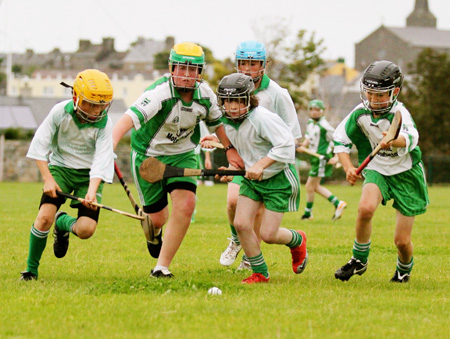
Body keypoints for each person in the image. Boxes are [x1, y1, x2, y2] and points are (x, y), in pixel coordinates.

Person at [112, 42, 243, 278]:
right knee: (157, 219)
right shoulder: (159, 94)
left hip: (183, 154)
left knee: (185, 206)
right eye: (181, 68)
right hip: (148, 156)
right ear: (172, 68)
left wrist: (230, 149)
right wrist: (108, 149)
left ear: (200, 72)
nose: (186, 75)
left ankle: (161, 267)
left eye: (193, 70)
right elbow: (126, 121)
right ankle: (154, 234)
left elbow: (216, 123)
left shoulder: (205, 94)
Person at [333, 60, 429, 283]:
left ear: (394, 92)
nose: (373, 101)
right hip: (377, 170)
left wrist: (393, 141)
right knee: (365, 209)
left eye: (380, 95)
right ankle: (359, 260)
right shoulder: (360, 113)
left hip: (406, 173)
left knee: (402, 242)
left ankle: (403, 269)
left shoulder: (400, 112)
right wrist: (348, 168)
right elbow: (340, 141)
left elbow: (412, 138)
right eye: (370, 94)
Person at [209, 72, 307, 283]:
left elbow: (287, 145)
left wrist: (262, 164)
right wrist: (229, 169)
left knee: (269, 234)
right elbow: (243, 151)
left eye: (237, 101)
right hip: (252, 181)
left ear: (248, 99)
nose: (232, 106)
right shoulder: (227, 122)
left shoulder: (261, 118)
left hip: (278, 179)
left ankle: (297, 240)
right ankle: (260, 272)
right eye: (227, 101)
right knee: (241, 224)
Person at [20, 69, 115, 281]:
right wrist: (48, 179)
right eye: (90, 103)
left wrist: (91, 192)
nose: (95, 110)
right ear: (76, 97)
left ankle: (62, 223)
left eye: (100, 105)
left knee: (86, 230)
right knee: (44, 218)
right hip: (60, 169)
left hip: (89, 175)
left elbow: (101, 160)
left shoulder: (104, 123)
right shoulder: (59, 112)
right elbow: (39, 145)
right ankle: (30, 271)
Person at [297, 99, 347, 221]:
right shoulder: (310, 123)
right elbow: (308, 138)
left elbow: (338, 140)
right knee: (312, 186)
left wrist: (336, 157)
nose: (314, 112)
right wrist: (303, 146)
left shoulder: (324, 126)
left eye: (317, 110)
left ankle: (311, 213)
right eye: (312, 109)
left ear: (323, 111)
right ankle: (335, 204)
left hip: (322, 159)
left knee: (310, 186)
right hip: (314, 158)